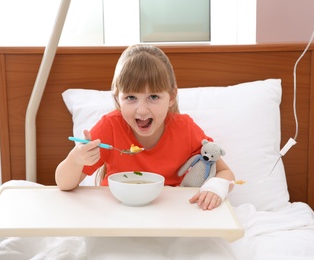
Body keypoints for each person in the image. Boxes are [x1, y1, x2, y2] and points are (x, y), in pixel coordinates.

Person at [55, 44, 235, 210]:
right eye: (131, 98)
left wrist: (215, 187)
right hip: (117, 214)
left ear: (171, 97)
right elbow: (64, 184)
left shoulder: (185, 129)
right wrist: (76, 159)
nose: (141, 110)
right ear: (118, 98)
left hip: (169, 215)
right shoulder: (109, 128)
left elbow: (224, 172)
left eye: (154, 97)